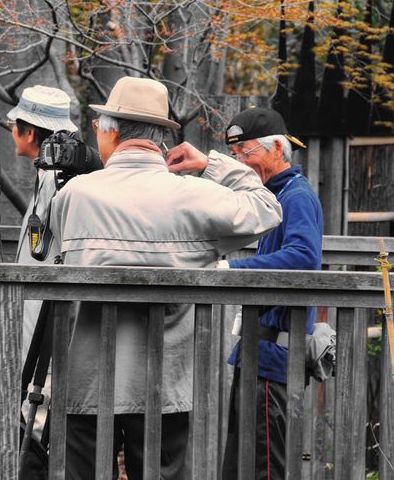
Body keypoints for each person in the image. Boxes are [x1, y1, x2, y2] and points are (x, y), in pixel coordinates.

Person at [50, 77, 283, 479]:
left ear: (112, 132)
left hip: (86, 380)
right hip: (165, 382)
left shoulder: (74, 195)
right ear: (161, 138)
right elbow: (267, 208)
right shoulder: (192, 195)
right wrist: (211, 164)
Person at [168, 107, 322, 479]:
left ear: (277, 150)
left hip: (275, 355)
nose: (240, 161)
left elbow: (304, 257)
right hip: (258, 351)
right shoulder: (271, 196)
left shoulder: (296, 196)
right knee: (241, 464)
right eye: (235, 155)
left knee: (263, 466)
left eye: (246, 152)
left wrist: (230, 269)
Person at [7, 85, 79, 438]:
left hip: (47, 319)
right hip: (36, 314)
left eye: (15, 125)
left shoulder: (58, 180)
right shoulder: (47, 175)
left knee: (37, 418)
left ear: (30, 132)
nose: (11, 131)